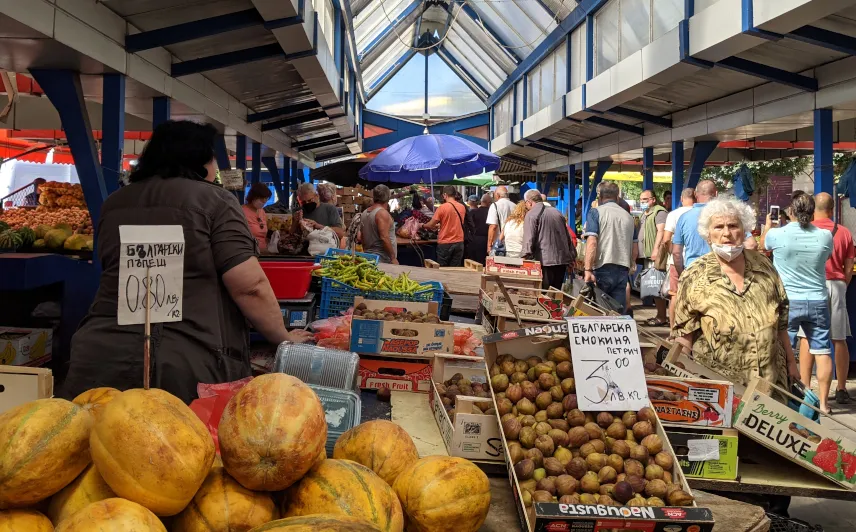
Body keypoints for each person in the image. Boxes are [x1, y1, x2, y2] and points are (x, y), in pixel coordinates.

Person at [61, 120, 311, 403]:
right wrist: (283, 337)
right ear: (200, 160)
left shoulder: (114, 203)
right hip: (183, 368)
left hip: (98, 357)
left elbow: (109, 267)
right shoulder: (215, 201)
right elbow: (249, 286)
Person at [672, 197, 800, 392]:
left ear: (744, 229)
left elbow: (781, 323)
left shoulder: (764, 267)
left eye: (733, 226)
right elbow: (684, 336)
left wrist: (792, 363)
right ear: (708, 235)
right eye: (718, 227)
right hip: (718, 389)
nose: (726, 233)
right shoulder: (694, 275)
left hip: (771, 385)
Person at [763, 194, 834, 413]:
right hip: (818, 300)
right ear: (813, 213)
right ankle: (823, 404)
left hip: (788, 301)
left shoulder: (777, 234)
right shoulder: (825, 236)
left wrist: (767, 225)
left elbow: (763, 245)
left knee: (784, 350)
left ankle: (784, 398)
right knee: (822, 350)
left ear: (791, 212)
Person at [796, 193, 855, 404]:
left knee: (806, 336)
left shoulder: (804, 230)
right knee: (838, 337)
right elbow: (849, 266)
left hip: (810, 286)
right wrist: (842, 284)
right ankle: (840, 388)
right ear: (832, 209)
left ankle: (805, 386)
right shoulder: (844, 232)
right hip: (837, 285)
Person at [672, 180, 756, 276]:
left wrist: (682, 275)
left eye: (731, 227)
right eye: (719, 227)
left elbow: (676, 253)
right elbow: (751, 245)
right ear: (716, 193)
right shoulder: (728, 215)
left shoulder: (684, 218)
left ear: (695, 194)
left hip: (693, 272)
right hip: (724, 272)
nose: (726, 233)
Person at [583, 182, 636, 312]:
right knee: (616, 312)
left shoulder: (595, 212)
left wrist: (588, 269)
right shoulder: (629, 217)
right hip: (623, 268)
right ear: (617, 198)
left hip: (602, 267)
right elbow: (635, 245)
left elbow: (592, 242)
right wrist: (632, 263)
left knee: (599, 311)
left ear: (600, 198)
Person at [521, 189, 574, 290]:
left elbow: (529, 239)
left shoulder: (531, 214)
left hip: (544, 261)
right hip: (561, 261)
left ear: (529, 202)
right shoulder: (557, 212)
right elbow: (567, 237)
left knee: (543, 295)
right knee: (555, 294)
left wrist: (523, 258)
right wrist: (571, 257)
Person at [663, 188, 696, 327]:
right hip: (696, 260)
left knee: (675, 294)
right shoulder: (701, 214)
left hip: (676, 260)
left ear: (681, 198)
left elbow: (666, 239)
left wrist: (671, 252)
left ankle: (673, 329)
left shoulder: (674, 214)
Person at [638, 189, 668, 326]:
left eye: (645, 199)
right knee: (653, 286)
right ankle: (659, 315)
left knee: (657, 285)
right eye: (641, 200)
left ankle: (662, 316)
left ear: (653, 199)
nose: (643, 202)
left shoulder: (659, 212)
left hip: (655, 256)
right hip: (647, 255)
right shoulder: (644, 214)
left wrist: (656, 250)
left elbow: (661, 232)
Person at [423, 185, 467, 266]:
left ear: (445, 195)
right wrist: (441, 225)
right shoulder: (462, 207)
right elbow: (455, 222)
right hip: (459, 242)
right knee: (455, 269)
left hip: (445, 242)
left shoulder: (442, 208)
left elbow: (431, 225)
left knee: (443, 269)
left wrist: (422, 225)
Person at [361, 184, 398, 264]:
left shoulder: (365, 212)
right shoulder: (382, 213)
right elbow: (384, 237)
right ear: (388, 197)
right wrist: (393, 258)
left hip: (369, 256)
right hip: (382, 259)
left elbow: (362, 237)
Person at [242, 183, 272, 250]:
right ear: (253, 196)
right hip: (248, 252)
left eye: (266, 199)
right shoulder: (242, 212)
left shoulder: (262, 211)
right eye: (261, 198)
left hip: (263, 252)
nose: (264, 201)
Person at [487, 186, 515, 253]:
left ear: (497, 195)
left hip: (498, 244)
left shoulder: (495, 205)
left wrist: (489, 245)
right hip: (512, 242)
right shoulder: (515, 206)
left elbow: (493, 226)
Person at [466, 193, 492, 265]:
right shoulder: (491, 212)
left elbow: (468, 225)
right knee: (485, 262)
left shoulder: (473, 212)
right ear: (489, 203)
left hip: (474, 239)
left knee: (474, 262)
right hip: (487, 239)